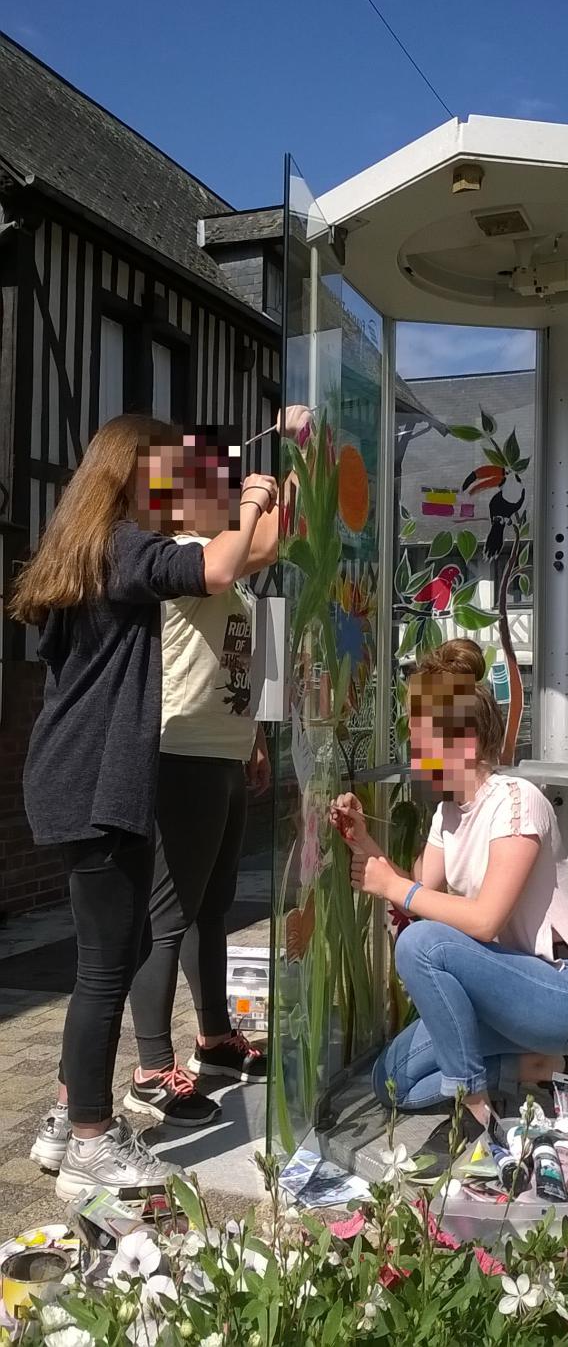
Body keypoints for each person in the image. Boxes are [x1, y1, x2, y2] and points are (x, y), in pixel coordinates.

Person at [12, 415, 277, 1199]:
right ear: (132, 474)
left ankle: (67, 1115)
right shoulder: (124, 547)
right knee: (104, 969)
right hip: (100, 780)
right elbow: (223, 563)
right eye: (163, 470)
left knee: (106, 959)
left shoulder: (86, 552)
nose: (176, 485)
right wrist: (255, 496)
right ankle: (94, 1138)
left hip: (75, 774)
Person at [331, 638, 568, 1166]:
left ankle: (475, 1103)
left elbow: (483, 920)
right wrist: (364, 843)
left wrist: (397, 888)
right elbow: (419, 898)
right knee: (391, 1081)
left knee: (421, 944)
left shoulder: (517, 802)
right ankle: (525, 1070)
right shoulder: (447, 816)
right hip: (507, 995)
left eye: (422, 744)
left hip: (565, 992)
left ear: (466, 740)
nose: (415, 759)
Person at [122, 410, 310, 1128]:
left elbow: (235, 656)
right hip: (181, 756)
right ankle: (148, 1065)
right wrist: (294, 452)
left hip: (223, 751)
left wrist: (255, 737)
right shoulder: (183, 552)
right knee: (166, 917)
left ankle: (214, 1039)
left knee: (212, 909)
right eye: (215, 484)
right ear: (176, 494)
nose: (229, 491)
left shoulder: (219, 556)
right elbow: (269, 538)